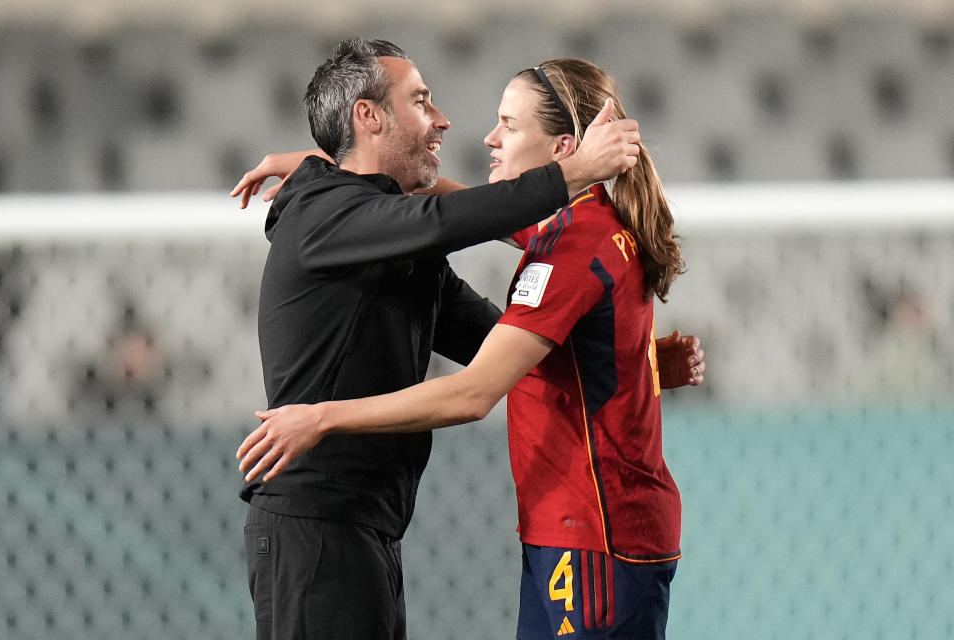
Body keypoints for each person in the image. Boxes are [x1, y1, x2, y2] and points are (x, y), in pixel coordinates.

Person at [238, 57, 705, 640]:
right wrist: (319, 165)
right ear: (368, 117)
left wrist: (635, 360)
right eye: (421, 101)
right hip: (339, 527)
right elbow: (448, 217)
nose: (474, 132)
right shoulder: (339, 213)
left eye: (508, 125)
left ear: (562, 145)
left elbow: (486, 375)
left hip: (590, 532)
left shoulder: (572, 242)